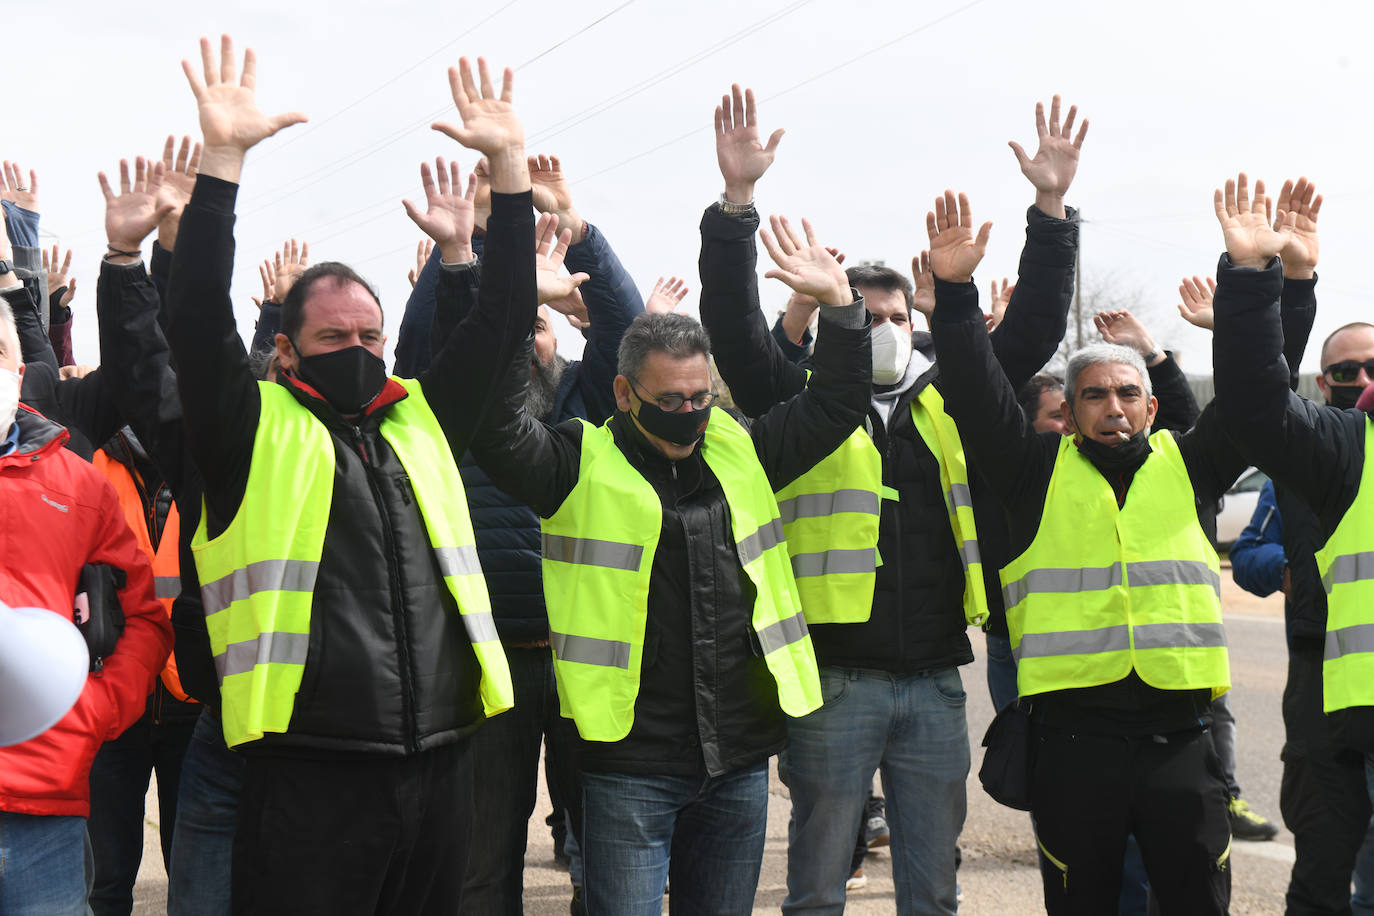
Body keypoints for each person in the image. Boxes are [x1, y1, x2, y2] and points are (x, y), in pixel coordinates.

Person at [162, 38, 545, 913]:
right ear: (289, 348)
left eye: (371, 335)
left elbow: (503, 316)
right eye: (337, 339)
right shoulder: (249, 428)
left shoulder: (420, 417)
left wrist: (510, 171)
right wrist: (221, 162)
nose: (362, 351)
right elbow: (192, 319)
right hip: (308, 774)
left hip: (443, 758)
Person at [699, 89, 1083, 913]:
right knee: (817, 886)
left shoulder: (955, 396)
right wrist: (737, 206)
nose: (881, 328)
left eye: (894, 315)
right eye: (863, 316)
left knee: (932, 888)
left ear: (917, 320)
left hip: (937, 681)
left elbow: (1036, 328)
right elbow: (732, 328)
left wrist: (1050, 209)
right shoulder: (800, 401)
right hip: (834, 681)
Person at [469, 196, 871, 912]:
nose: (688, 412)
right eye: (670, 399)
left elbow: (835, 407)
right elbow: (496, 429)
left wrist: (842, 309)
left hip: (737, 758)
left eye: (699, 397)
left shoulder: (740, 449)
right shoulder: (575, 459)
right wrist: (514, 303)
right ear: (624, 393)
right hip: (629, 763)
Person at [928, 183, 1241, 912]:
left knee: (1199, 899)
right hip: (1073, 749)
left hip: (1180, 738)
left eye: (1128, 394)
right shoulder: (1031, 473)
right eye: (1095, 396)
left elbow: (1255, 398)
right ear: (1067, 413)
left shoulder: (1187, 465)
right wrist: (954, 293)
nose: (1114, 407)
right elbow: (974, 393)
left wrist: (1249, 296)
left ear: (1152, 405)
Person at [396, 151, 642, 912]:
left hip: (586, 664)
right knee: (480, 861)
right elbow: (421, 347)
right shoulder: (454, 411)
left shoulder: (591, 403)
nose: (529, 336)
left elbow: (629, 326)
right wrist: (459, 247)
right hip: (484, 661)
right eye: (516, 320)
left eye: (540, 322)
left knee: (611, 856)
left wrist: (574, 220)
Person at [0, 296, 173, 915]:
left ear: (21, 373)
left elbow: (145, 620)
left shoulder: (79, 484)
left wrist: (93, 711)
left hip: (44, 808)